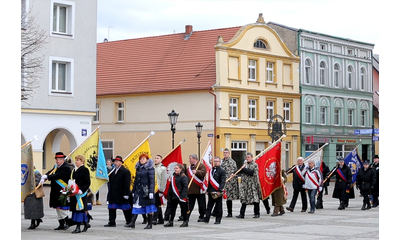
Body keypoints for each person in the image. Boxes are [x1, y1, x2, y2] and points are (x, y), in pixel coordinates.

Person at [40, 152, 72, 230]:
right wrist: (44, 177)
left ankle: (67, 223)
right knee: (58, 208)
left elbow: (58, 175)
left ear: (62, 160)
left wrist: (48, 176)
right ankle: (61, 224)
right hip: (55, 190)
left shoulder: (66, 167)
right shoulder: (56, 167)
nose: (57, 161)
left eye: (58, 159)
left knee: (63, 209)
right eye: (56, 159)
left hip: (62, 190)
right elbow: (50, 172)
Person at [126, 154, 157, 229]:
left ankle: (150, 224)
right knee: (136, 205)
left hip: (146, 190)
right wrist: (133, 191)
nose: (142, 160)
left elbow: (152, 181)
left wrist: (151, 192)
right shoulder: (138, 168)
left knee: (149, 207)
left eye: (143, 159)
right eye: (141, 159)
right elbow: (136, 181)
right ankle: (132, 222)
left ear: (147, 160)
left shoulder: (150, 169)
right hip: (138, 190)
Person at [104, 155, 132, 227]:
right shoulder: (113, 171)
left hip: (122, 193)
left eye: (117, 161)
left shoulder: (125, 171)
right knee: (112, 208)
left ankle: (129, 221)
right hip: (113, 193)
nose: (115, 163)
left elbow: (127, 183)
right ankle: (112, 222)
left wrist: (126, 193)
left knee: (125, 208)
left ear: (121, 162)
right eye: (114, 162)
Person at [69, 155, 91, 233]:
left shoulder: (84, 170)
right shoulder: (74, 170)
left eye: (78, 160)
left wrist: (82, 190)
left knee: (79, 210)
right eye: (76, 160)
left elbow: (87, 182)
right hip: (75, 192)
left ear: (82, 161)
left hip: (81, 193)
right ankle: (85, 223)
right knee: (76, 210)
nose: (76, 161)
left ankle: (78, 227)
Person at [236, 152, 261, 219]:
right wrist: (234, 173)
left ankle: (257, 213)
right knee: (244, 199)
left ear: (252, 158)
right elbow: (239, 171)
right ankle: (242, 214)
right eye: (246, 157)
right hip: (245, 185)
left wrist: (243, 169)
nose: (247, 159)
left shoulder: (254, 165)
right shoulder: (245, 165)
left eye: (248, 157)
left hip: (253, 185)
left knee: (255, 199)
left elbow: (251, 172)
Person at [204, 157, 226, 224]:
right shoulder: (211, 170)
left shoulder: (222, 171)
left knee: (219, 206)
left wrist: (220, 190)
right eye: (215, 161)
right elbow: (210, 182)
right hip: (211, 191)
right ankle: (207, 218)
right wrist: (208, 190)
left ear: (220, 162)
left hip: (218, 191)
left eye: (217, 161)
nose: (216, 162)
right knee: (209, 206)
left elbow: (222, 181)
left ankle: (218, 220)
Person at [186, 154, 207, 222]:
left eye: (190, 159)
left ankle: (202, 216)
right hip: (191, 190)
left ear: (195, 159)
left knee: (201, 204)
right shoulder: (189, 168)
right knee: (190, 205)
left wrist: (197, 171)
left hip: (199, 189)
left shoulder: (200, 165)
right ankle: (187, 216)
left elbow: (203, 173)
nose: (189, 160)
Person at [220, 148, 239, 218]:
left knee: (229, 198)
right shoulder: (221, 162)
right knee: (219, 197)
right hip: (222, 182)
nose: (225, 154)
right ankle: (216, 211)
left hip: (230, 183)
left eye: (226, 153)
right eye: (224, 152)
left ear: (229, 154)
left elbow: (234, 172)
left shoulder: (232, 162)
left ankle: (230, 212)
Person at [152, 154, 167, 225]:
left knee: (157, 204)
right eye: (155, 158)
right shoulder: (153, 168)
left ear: (161, 160)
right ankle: (160, 219)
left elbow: (164, 180)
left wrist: (161, 190)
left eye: (157, 158)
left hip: (159, 189)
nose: (156, 159)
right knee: (156, 204)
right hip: (153, 189)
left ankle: (154, 219)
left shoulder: (163, 169)